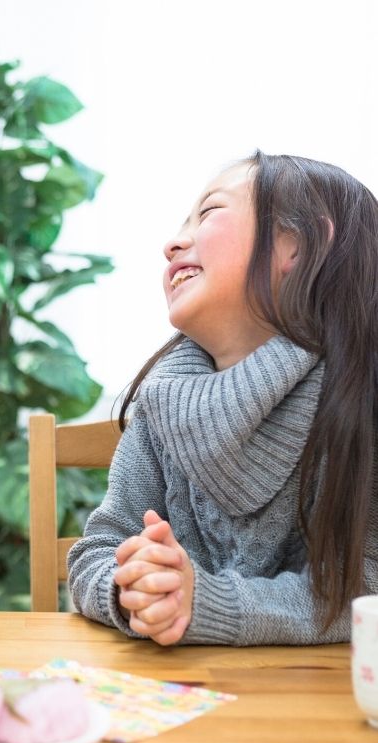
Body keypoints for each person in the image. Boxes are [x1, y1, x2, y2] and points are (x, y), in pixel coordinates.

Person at [68, 151, 378, 646]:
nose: (171, 243)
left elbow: (367, 588)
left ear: (296, 245)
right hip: (180, 694)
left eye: (209, 212)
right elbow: (98, 550)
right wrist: (136, 590)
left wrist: (206, 603)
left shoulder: (360, 395)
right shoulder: (160, 400)